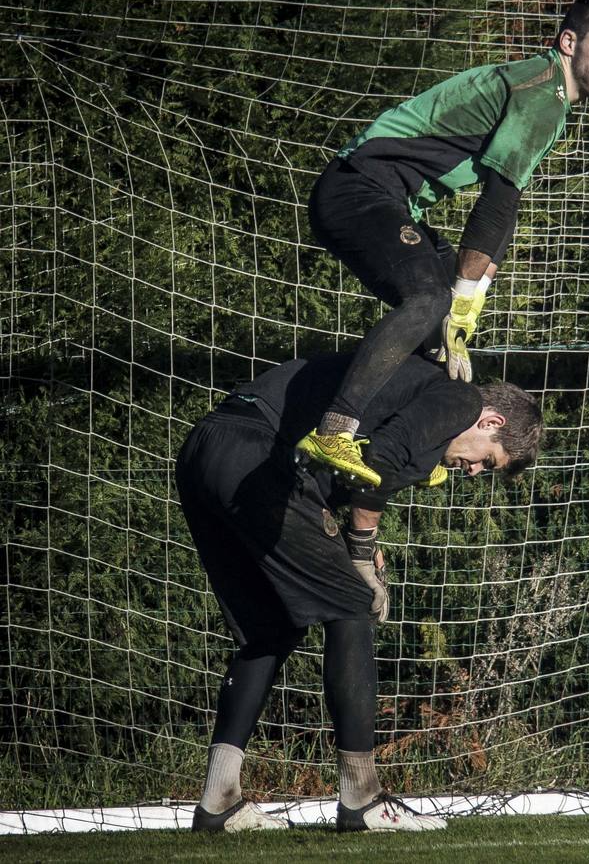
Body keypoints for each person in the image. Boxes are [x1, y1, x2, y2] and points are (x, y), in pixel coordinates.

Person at [175, 351, 542, 832]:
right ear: (490, 420)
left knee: (269, 629)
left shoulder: (416, 391)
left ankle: (218, 801)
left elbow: (336, 472)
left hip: (207, 449)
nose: (474, 473)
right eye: (488, 461)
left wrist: (351, 538)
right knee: (352, 603)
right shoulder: (458, 398)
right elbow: (379, 460)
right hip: (255, 452)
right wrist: (361, 551)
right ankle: (362, 799)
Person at [299, 0, 589, 484]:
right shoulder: (542, 94)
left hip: (385, 200)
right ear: (569, 43)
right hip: (358, 190)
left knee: (440, 329)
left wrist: (469, 304)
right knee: (429, 299)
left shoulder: (547, 95)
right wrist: (461, 298)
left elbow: (504, 215)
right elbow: (495, 209)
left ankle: (406, 438)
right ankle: (335, 429)